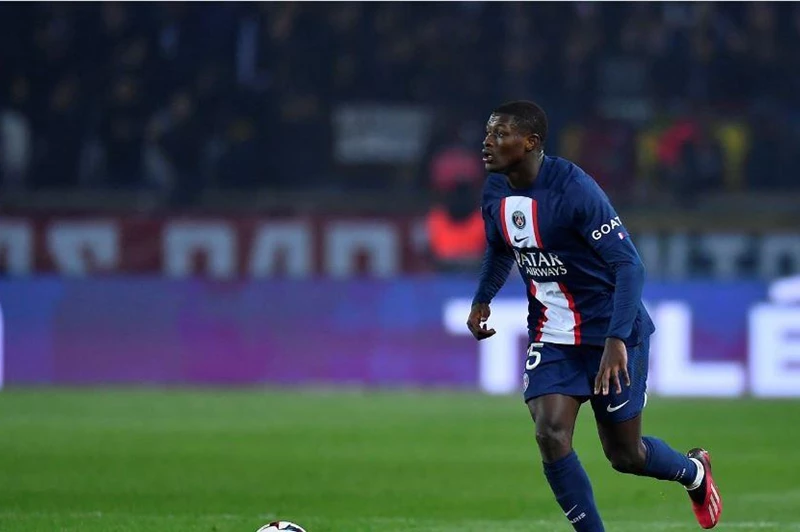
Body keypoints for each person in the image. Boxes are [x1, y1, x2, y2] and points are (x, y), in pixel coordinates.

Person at [466, 101, 722, 530]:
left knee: (625, 455)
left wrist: (617, 340)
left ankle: (694, 472)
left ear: (530, 142)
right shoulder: (495, 190)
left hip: (611, 333)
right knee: (550, 433)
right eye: (488, 133)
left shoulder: (574, 190)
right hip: (552, 333)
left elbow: (629, 265)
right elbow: (499, 247)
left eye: (500, 134)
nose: (487, 142)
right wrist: (482, 298)